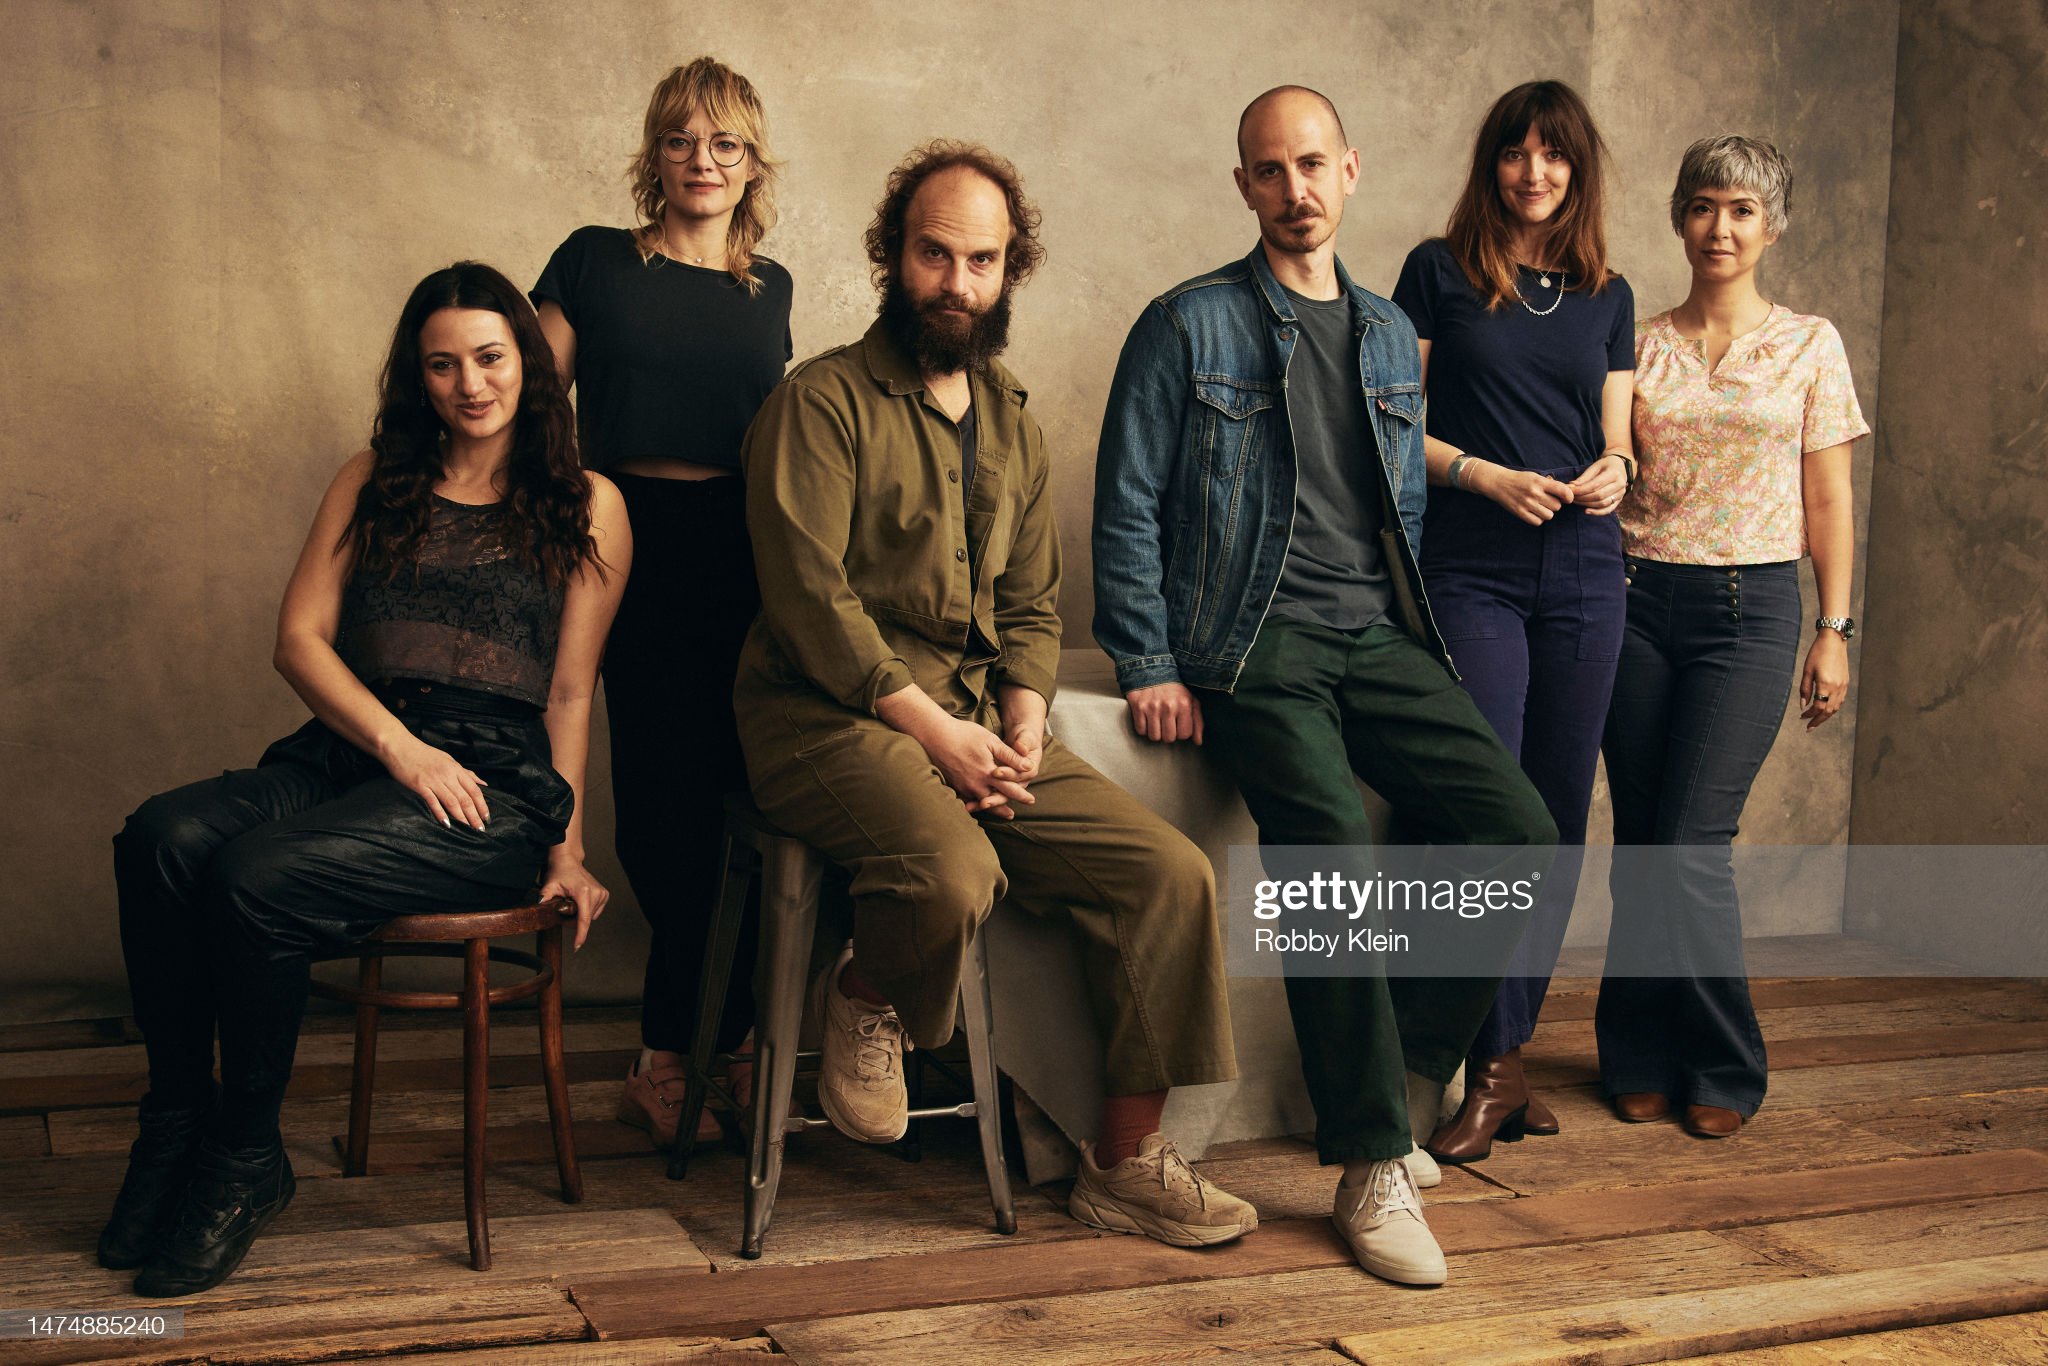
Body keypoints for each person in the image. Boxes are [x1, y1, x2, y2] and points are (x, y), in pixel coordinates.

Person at [738, 140, 1256, 1249]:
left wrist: (1021, 708)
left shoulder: (1013, 421)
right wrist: (933, 727)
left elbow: (1030, 602)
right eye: (935, 254)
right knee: (952, 868)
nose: (957, 284)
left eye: (981, 260)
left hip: (969, 719)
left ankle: (1123, 1162)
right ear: (892, 254)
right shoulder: (819, 402)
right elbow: (808, 603)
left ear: (1009, 267)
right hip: (820, 715)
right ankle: (866, 990)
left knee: (1169, 875)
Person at [1093, 86, 1555, 1287]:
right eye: (1267, 171)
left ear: (1349, 171)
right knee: (1330, 845)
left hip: (1375, 636)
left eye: (1311, 165)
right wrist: (1146, 660)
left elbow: (1395, 503)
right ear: (1242, 187)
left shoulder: (1393, 333)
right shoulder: (1185, 324)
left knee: (1515, 829)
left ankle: (1386, 1092)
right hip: (1249, 640)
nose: (1293, 190)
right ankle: (1364, 1166)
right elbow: (1128, 500)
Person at [104, 262, 629, 1296]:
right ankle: (174, 1124)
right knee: (159, 838)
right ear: (415, 375)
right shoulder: (370, 474)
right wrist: (399, 747)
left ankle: (246, 1156)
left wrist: (565, 852)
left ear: (527, 361)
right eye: (441, 364)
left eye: (488, 357)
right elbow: (298, 641)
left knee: (256, 876)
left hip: (490, 788)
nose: (468, 384)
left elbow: (569, 693)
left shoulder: (587, 503)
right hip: (361, 749)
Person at [532, 57, 792, 1148]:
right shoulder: (594, 262)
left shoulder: (765, 287)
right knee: (661, 815)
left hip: (742, 555)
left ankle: (707, 1054)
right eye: (682, 140)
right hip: (622, 537)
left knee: (747, 811)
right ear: (655, 153)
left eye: (724, 143)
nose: (702, 161)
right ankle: (669, 1053)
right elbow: (526, 412)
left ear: (750, 163)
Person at [1600, 135, 1866, 1138]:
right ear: (1679, 217)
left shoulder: (1809, 344)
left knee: (1690, 845)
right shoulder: (1633, 337)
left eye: (1742, 210)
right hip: (1631, 605)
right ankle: (1631, 1049)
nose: (1720, 227)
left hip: (1746, 612)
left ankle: (1719, 1058)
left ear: (1772, 224)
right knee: (1639, 842)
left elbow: (1828, 496)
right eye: (1704, 206)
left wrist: (1832, 629)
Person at [1389, 79, 1635, 1165]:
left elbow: (1619, 437)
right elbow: (1390, 428)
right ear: (1489, 162)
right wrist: (1484, 475)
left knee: (1556, 815)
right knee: (1492, 808)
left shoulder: (1608, 293)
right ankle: (1484, 1064)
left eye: (1553, 154)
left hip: (1585, 569)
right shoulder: (1435, 274)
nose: (1532, 171)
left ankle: (1507, 1050)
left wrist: (1612, 472)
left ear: (1577, 170)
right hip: (1472, 565)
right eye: (1513, 152)